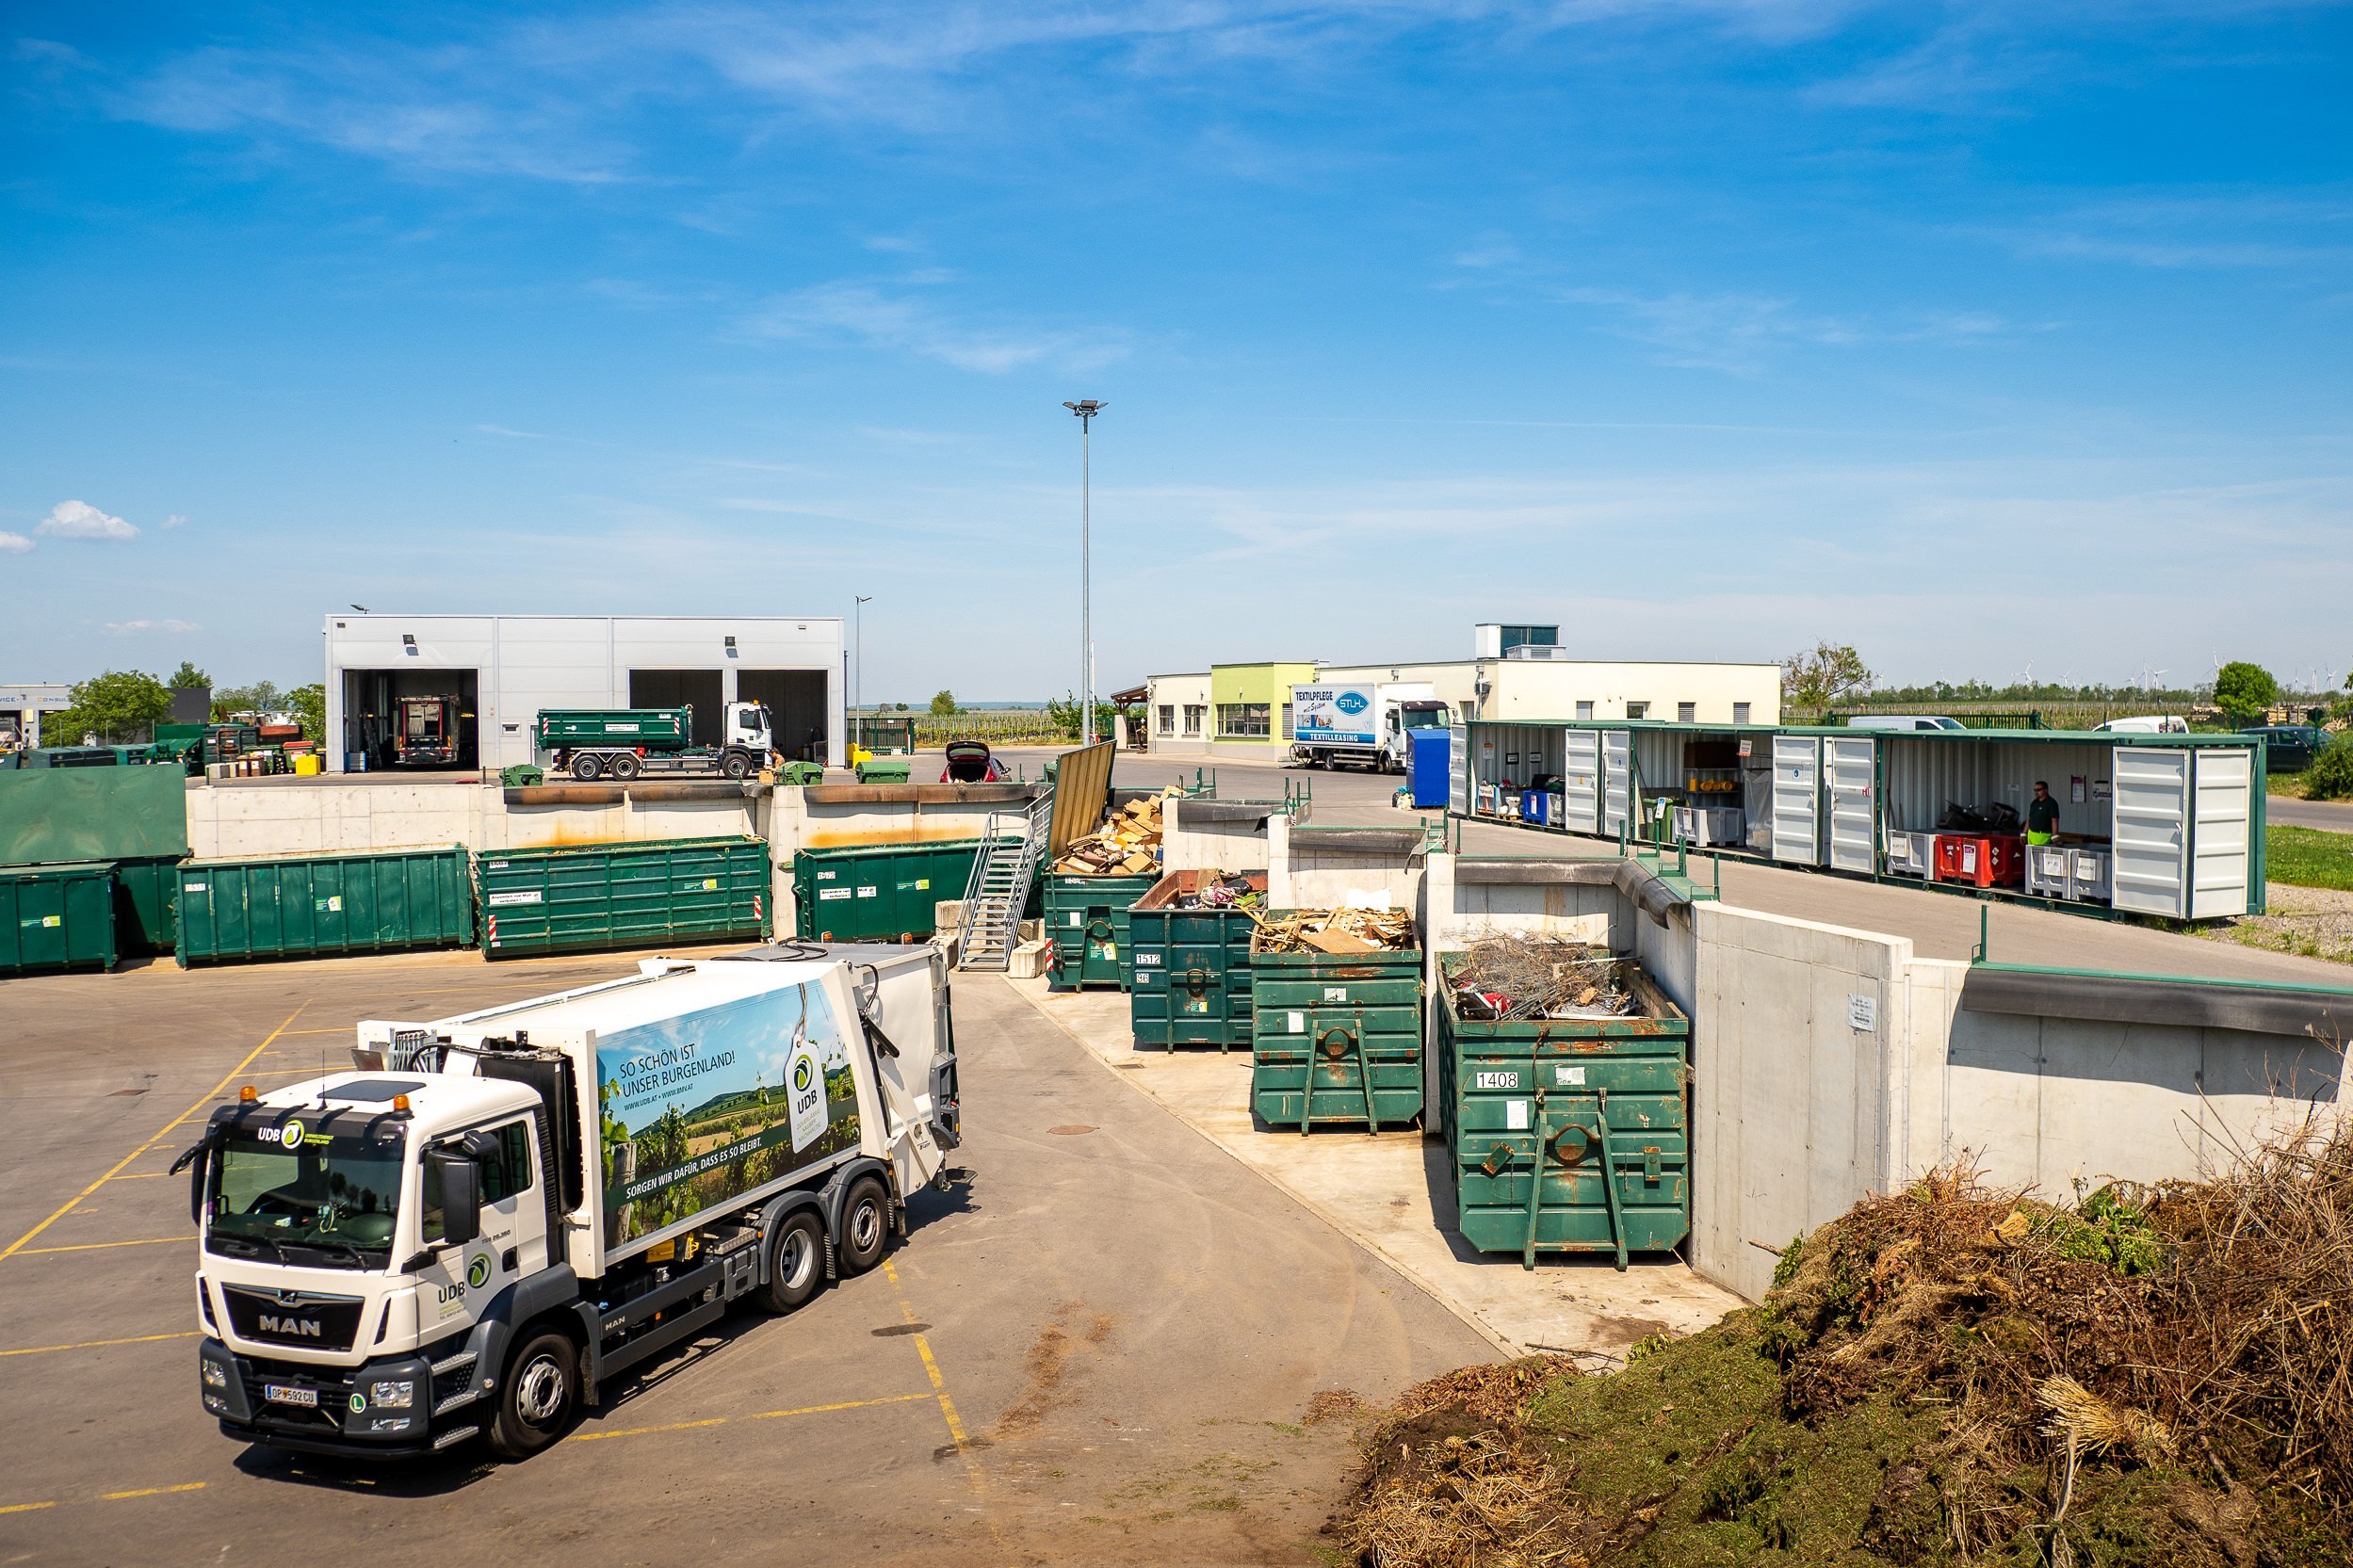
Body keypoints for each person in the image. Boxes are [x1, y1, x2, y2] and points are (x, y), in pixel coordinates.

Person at [2026, 780, 2060, 846]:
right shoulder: (2034, 803)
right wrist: (2024, 833)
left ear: (2046, 790)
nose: (2036, 792)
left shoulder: (2051, 803)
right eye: (2035, 790)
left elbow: (2055, 820)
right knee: (2030, 855)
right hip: (2031, 835)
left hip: (2043, 836)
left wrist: (2055, 836)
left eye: (2038, 790)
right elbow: (2030, 818)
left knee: (2039, 855)